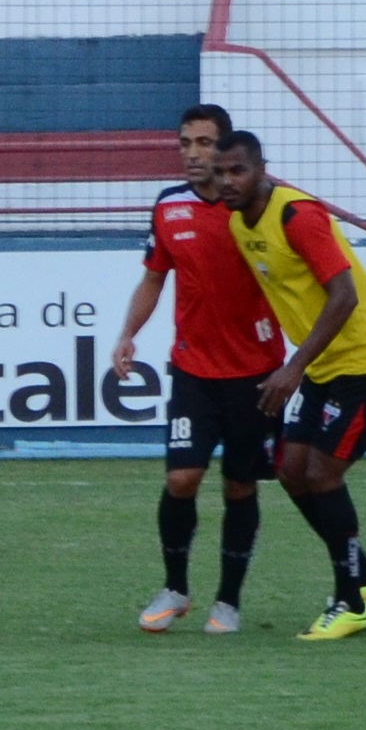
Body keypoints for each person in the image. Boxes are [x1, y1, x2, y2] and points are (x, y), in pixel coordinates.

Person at [212, 129, 366, 641]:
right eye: (221, 172)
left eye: (238, 170)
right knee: (291, 470)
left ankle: (350, 603)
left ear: (261, 169)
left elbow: (342, 295)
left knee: (323, 473)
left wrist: (292, 367)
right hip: (325, 367)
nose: (228, 181)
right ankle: (364, 577)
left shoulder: (298, 216)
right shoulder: (238, 224)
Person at [108, 103, 282, 635]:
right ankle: (175, 588)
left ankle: (227, 601)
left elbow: (311, 274)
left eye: (204, 144)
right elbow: (155, 277)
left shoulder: (258, 207)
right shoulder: (169, 207)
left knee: (239, 486)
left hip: (256, 374)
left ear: (228, 150)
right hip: (193, 371)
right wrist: (128, 333)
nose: (192, 154)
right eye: (185, 143)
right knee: (182, 478)